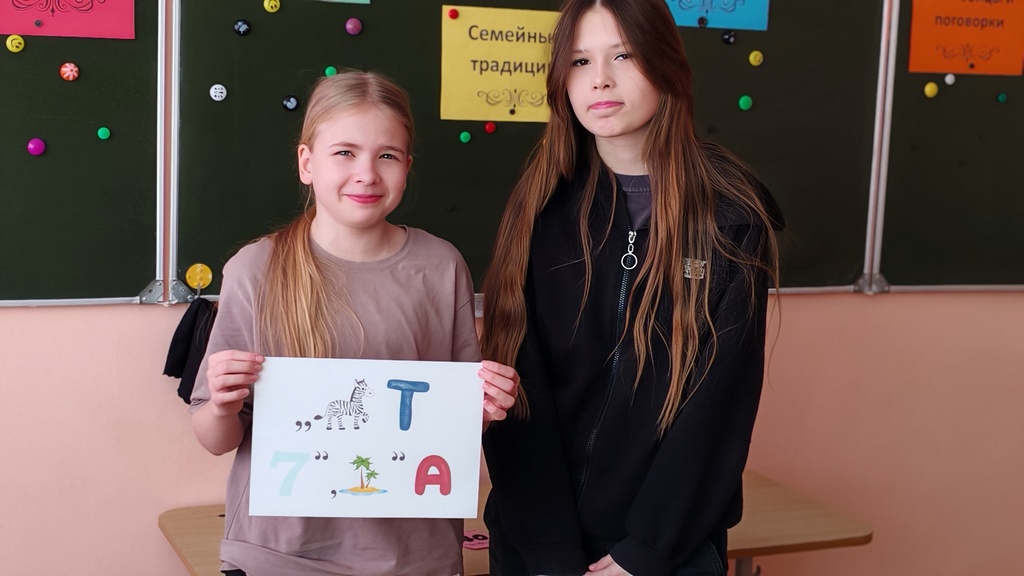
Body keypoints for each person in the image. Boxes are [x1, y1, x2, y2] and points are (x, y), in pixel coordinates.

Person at [480, 0, 784, 575]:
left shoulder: (729, 216)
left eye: (623, 55)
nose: (600, 79)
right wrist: (549, 552)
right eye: (580, 61)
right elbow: (518, 387)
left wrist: (644, 553)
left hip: (667, 552)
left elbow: (720, 403)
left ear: (666, 64)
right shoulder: (540, 205)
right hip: (538, 548)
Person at [189, 70, 520, 576]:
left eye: (387, 156)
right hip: (281, 555)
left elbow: (452, 421)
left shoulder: (440, 265)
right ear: (307, 163)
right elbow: (216, 439)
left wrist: (486, 407)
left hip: (415, 555)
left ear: (407, 167)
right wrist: (222, 403)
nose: (366, 174)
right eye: (344, 152)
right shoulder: (256, 269)